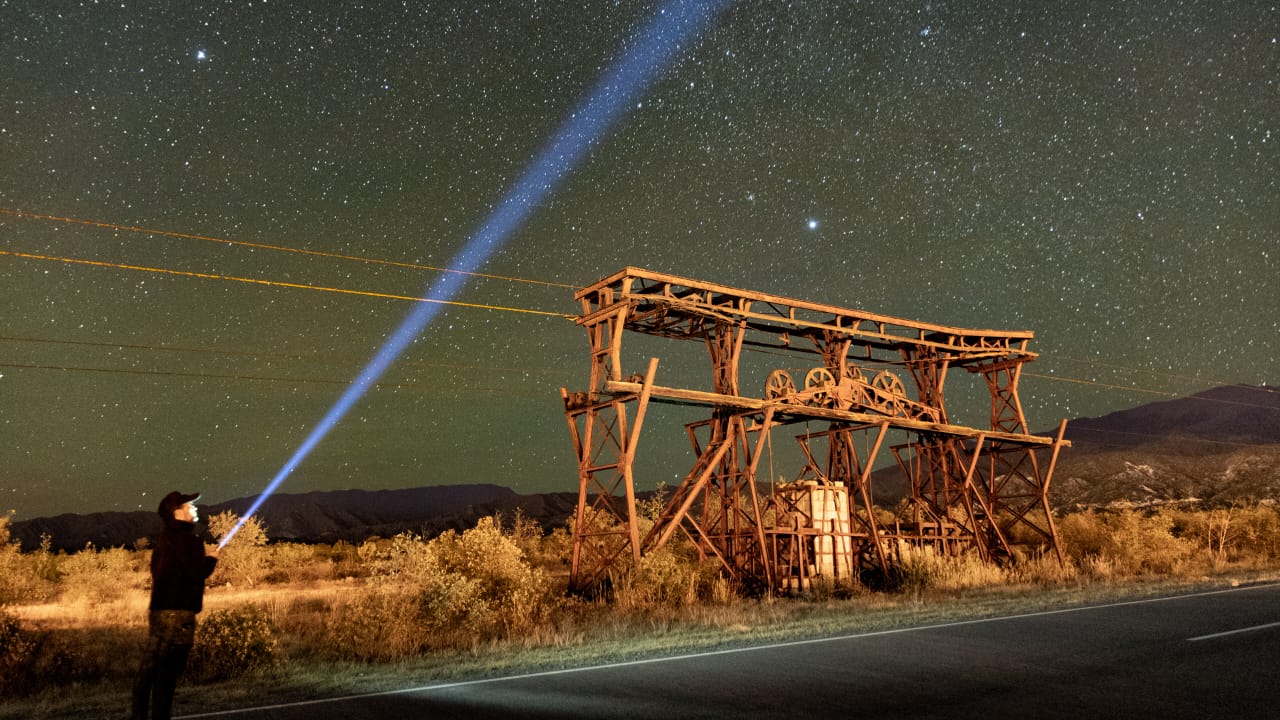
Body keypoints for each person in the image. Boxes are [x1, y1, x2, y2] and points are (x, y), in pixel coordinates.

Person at [131, 491, 218, 720]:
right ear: (177, 513)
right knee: (167, 677)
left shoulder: (162, 540)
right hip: (179, 616)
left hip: (158, 612)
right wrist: (211, 559)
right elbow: (197, 572)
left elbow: (158, 572)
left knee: (149, 672)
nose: (195, 509)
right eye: (190, 506)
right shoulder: (190, 541)